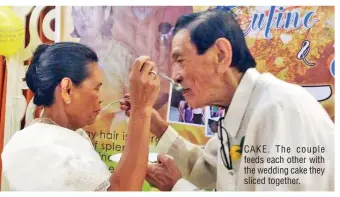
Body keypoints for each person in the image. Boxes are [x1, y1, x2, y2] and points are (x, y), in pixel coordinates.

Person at [120, 9, 334, 191]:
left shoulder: (278, 110)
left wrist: (178, 187)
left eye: (181, 60)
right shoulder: (240, 112)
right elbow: (207, 169)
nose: (175, 75)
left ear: (221, 55)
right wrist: (155, 125)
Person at [1, 42, 160, 191]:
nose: (101, 98)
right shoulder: (50, 148)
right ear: (67, 89)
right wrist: (141, 110)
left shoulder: (40, 137)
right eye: (96, 88)